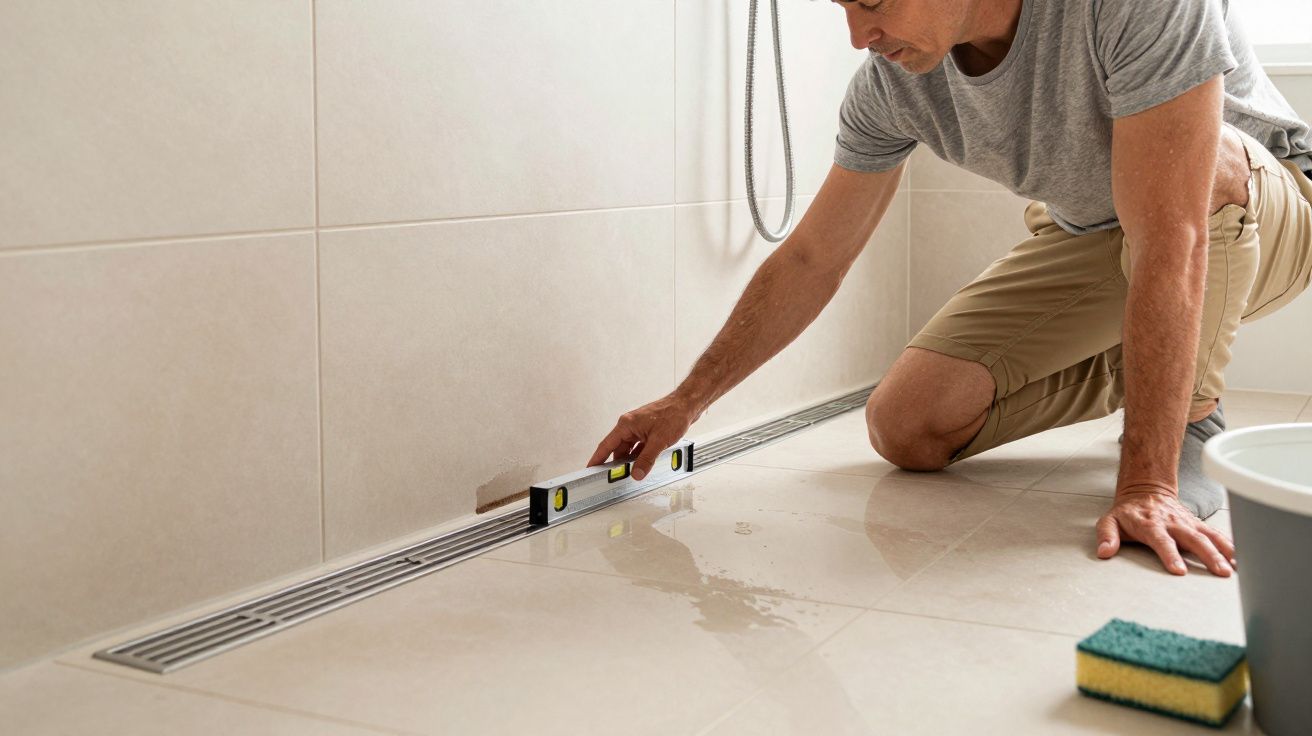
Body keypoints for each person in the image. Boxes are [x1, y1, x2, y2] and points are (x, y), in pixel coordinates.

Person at [588, 0, 1312, 577]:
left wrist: (1145, 484)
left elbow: (1171, 240)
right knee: (906, 424)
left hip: (1259, 210)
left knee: (1202, 171)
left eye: (873, 2)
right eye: (842, 7)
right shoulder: (890, 87)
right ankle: (1161, 366)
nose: (856, 35)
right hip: (1096, 232)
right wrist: (688, 400)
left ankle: (1191, 414)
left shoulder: (1132, 7)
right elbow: (814, 257)